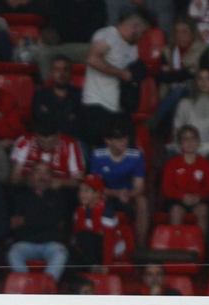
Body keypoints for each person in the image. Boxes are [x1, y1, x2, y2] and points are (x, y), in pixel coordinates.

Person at [82, 11, 147, 146]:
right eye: (142, 32)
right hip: (98, 104)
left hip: (118, 107)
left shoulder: (132, 47)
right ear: (134, 27)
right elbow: (93, 59)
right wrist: (122, 74)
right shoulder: (107, 35)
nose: (141, 37)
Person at [90, 117, 149, 244]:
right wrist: (116, 193)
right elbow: (96, 186)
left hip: (129, 195)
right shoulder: (97, 155)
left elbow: (139, 187)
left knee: (142, 202)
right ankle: (100, 244)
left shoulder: (136, 155)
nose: (124, 142)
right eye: (119, 139)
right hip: (107, 194)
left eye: (125, 138)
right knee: (95, 200)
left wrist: (128, 194)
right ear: (108, 140)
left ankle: (141, 246)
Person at [161, 125, 209, 235]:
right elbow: (167, 188)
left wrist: (200, 196)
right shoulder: (172, 163)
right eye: (185, 139)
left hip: (198, 200)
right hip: (177, 200)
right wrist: (182, 196)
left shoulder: (206, 164)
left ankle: (200, 248)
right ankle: (176, 247)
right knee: (176, 210)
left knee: (203, 210)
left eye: (193, 138)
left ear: (198, 142)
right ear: (180, 144)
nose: (190, 142)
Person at [10, 115, 86, 188]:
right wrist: (31, 181)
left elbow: (78, 181)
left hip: (60, 192)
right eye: (42, 141)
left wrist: (62, 183)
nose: (46, 145)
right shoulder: (25, 142)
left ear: (58, 136)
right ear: (36, 136)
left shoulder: (70, 144)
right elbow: (14, 179)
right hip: (28, 189)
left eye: (50, 142)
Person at [171, 67, 209, 158]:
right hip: (185, 146)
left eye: (208, 78)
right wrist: (189, 143)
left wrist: (197, 145)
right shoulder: (184, 104)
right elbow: (177, 129)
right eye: (200, 78)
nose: (204, 82)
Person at [33, 58, 84, 142]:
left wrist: (52, 113)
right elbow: (42, 122)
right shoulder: (41, 95)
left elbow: (80, 125)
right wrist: (67, 117)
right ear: (51, 73)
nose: (62, 73)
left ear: (71, 73)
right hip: (47, 140)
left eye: (65, 69)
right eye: (57, 69)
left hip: (73, 140)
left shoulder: (80, 95)